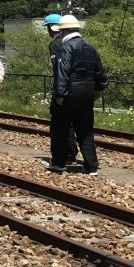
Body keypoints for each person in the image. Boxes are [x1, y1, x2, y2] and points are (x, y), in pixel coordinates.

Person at [48, 15, 108, 175]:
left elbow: (63, 72)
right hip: (88, 91)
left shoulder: (66, 47)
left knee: (60, 128)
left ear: (65, 31)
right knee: (85, 129)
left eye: (61, 31)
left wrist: (60, 93)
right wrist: (99, 88)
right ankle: (91, 166)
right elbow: (99, 71)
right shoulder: (90, 46)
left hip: (71, 91)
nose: (60, 34)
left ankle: (59, 163)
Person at [45, 13, 78, 162]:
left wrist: (59, 91)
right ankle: (72, 152)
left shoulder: (55, 44)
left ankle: (65, 154)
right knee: (73, 122)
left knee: (60, 122)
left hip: (63, 87)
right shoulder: (76, 42)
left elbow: (59, 69)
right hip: (78, 87)